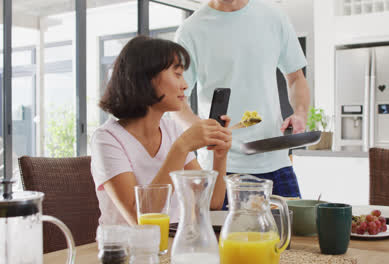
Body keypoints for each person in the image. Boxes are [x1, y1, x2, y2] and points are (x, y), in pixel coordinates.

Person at [174, 0, 310, 203]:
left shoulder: (274, 17)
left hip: (275, 160)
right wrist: (200, 130)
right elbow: (177, 100)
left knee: (294, 233)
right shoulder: (190, 30)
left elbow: (296, 77)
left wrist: (300, 112)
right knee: (222, 235)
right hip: (219, 166)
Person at [90, 36, 232, 225]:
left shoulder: (172, 129)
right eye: (177, 74)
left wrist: (220, 156)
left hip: (170, 244)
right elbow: (139, 218)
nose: (185, 85)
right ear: (146, 79)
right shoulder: (107, 139)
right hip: (125, 249)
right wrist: (181, 147)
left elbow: (211, 203)